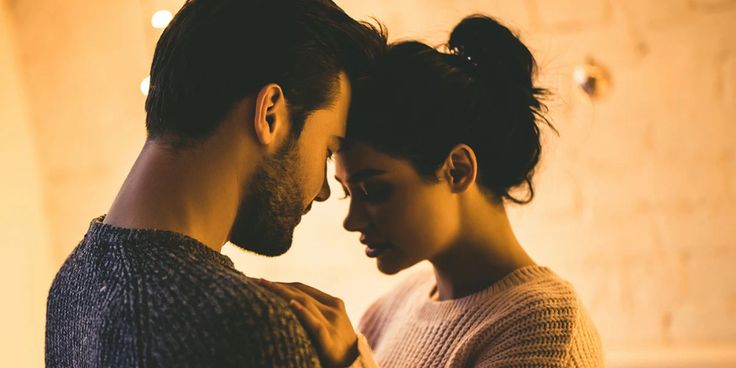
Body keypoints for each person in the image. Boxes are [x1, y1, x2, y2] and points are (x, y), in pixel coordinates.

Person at [44, 0, 385, 366]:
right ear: (270, 113)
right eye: (327, 150)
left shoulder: (73, 282)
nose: (322, 190)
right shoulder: (249, 326)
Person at [261, 15, 605, 367]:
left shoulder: (542, 328)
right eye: (349, 193)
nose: (352, 221)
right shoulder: (389, 311)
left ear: (457, 170)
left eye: (374, 190)